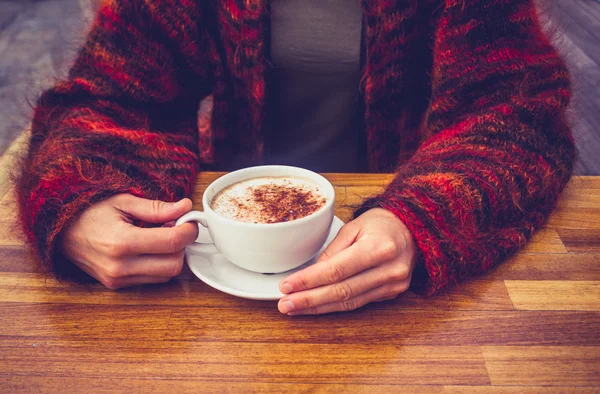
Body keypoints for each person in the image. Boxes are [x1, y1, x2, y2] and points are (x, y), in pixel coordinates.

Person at [15, 0, 575, 316]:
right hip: (217, 267)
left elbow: (517, 112)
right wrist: (75, 202)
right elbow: (110, 97)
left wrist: (418, 219)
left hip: (394, 258)